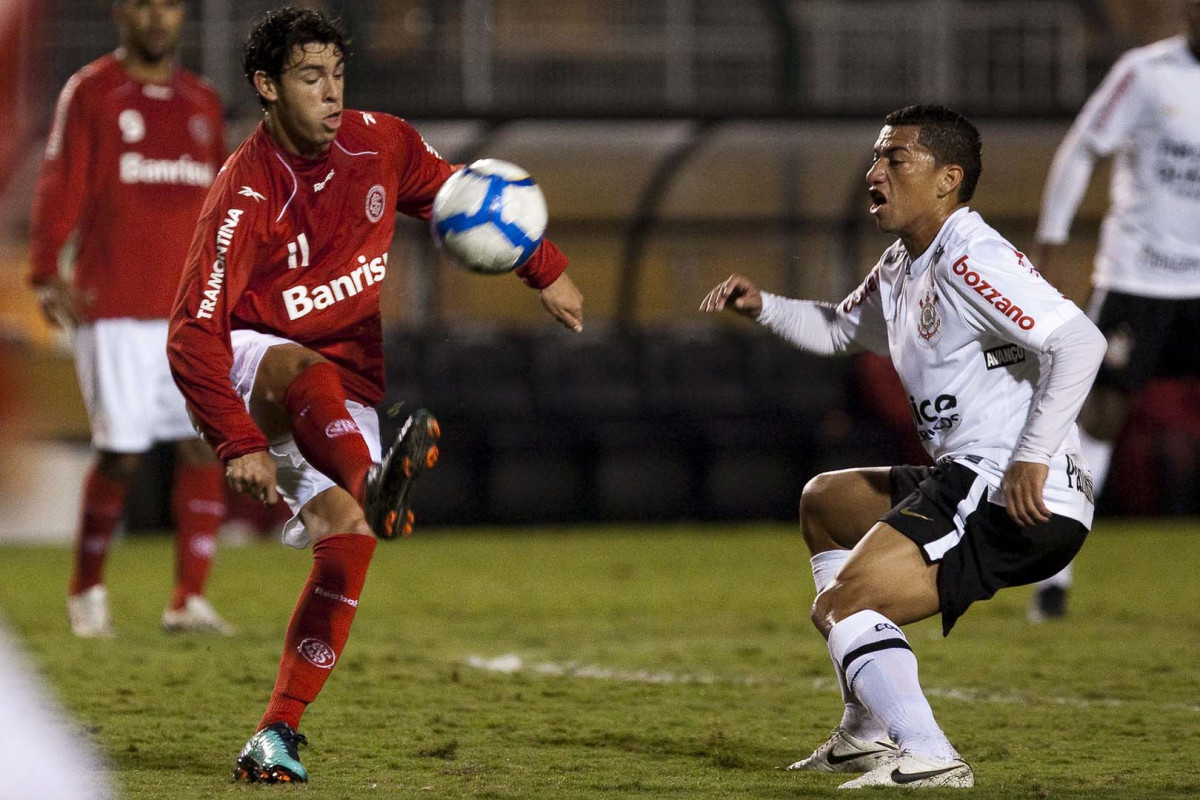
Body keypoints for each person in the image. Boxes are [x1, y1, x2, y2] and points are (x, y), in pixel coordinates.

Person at [166, 7, 583, 784]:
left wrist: (544, 265)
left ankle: (276, 733)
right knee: (301, 370)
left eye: (338, 75)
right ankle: (374, 472)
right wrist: (239, 442)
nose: (330, 94)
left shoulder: (380, 142)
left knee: (349, 541)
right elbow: (192, 333)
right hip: (251, 368)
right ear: (265, 86)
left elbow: (462, 197)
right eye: (309, 77)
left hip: (345, 389)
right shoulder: (244, 195)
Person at [701, 105, 1106, 789]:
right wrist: (762, 305)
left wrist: (1033, 455)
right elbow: (839, 330)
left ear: (948, 178)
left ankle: (929, 755)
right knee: (827, 502)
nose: (874, 172)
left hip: (1010, 486)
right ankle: (865, 735)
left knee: (844, 607)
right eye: (876, 157)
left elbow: (1079, 342)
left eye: (896, 158)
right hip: (968, 473)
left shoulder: (971, 256)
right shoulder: (901, 263)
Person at [28, 0, 232, 637]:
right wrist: (43, 270)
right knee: (120, 452)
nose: (157, 18)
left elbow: (223, 201)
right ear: (122, 13)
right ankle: (86, 591)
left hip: (190, 308)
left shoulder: (201, 101)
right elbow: (61, 179)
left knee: (202, 443)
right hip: (113, 302)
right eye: (144, 5)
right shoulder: (92, 91)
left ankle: (188, 598)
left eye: (169, 6)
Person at [1030, 0, 1200, 621]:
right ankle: (1055, 575)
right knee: (1100, 415)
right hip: (1140, 276)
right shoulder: (1145, 72)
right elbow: (1082, 148)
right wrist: (1050, 242)